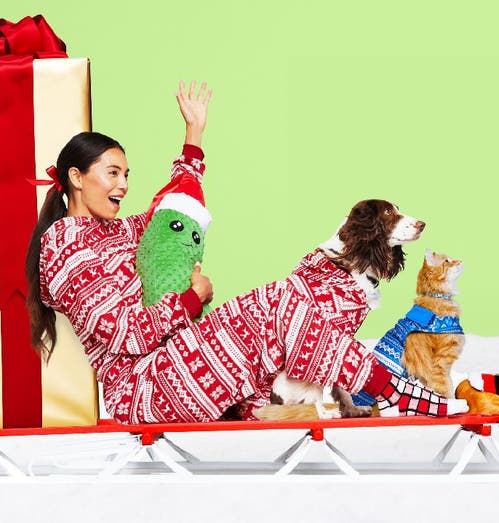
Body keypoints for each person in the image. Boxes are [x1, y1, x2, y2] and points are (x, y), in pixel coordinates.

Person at [25, 81, 467, 423]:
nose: (123, 185)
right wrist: (191, 299)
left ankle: (338, 392)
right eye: (113, 173)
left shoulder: (118, 231)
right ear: (76, 178)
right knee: (274, 303)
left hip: (180, 359)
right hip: (143, 387)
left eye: (127, 174)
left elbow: (172, 207)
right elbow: (120, 332)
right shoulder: (63, 248)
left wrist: (193, 134)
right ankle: (398, 394)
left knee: (302, 298)